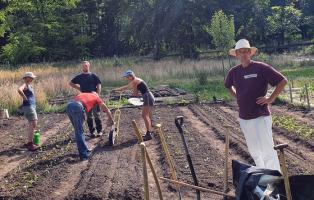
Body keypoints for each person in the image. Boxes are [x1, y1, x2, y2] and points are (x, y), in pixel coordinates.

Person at [224, 39, 287, 171]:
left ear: (250, 53)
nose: (244, 54)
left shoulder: (261, 67)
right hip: (244, 118)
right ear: (236, 54)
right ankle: (263, 175)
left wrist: (270, 98)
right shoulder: (234, 72)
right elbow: (228, 85)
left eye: (246, 51)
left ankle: (275, 178)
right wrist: (238, 96)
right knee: (254, 150)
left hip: (261, 116)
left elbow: (282, 81)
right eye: (241, 52)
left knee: (267, 149)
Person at [66, 92, 114, 160]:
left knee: (78, 130)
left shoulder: (83, 94)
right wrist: (111, 119)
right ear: (96, 95)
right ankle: (84, 156)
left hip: (69, 106)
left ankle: (85, 148)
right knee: (79, 131)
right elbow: (106, 109)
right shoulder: (96, 97)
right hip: (78, 107)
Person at [113, 69, 155, 141]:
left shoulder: (135, 81)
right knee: (145, 115)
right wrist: (123, 90)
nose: (126, 79)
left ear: (131, 76)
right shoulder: (136, 80)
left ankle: (149, 134)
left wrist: (117, 90)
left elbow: (132, 92)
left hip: (147, 97)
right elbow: (133, 91)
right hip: (147, 96)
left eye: (127, 77)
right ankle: (149, 131)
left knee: (145, 115)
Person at [69, 61, 103, 138]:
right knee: (89, 116)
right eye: (84, 66)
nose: (85, 67)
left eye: (86, 66)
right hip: (85, 100)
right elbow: (70, 83)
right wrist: (79, 88)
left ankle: (99, 131)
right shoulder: (79, 77)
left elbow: (99, 84)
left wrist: (98, 94)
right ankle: (92, 132)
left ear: (89, 66)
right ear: (82, 67)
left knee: (96, 114)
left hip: (93, 98)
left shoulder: (93, 75)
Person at [18, 72, 38, 151]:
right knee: (34, 123)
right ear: (26, 78)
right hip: (29, 106)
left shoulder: (29, 86)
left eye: (33, 77)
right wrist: (25, 98)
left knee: (32, 124)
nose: (32, 79)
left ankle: (29, 142)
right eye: (31, 77)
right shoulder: (25, 85)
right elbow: (19, 90)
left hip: (30, 106)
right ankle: (30, 144)